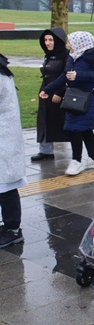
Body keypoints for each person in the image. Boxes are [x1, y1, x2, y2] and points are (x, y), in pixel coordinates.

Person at [40, 32, 94, 176]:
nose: (68, 45)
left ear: (80, 42)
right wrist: (47, 90)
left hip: (91, 97)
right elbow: (64, 77)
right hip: (75, 96)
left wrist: (79, 75)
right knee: (84, 128)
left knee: (74, 128)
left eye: (70, 42)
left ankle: (76, 161)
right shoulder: (73, 56)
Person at [0, 54, 28, 248]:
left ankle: (13, 230)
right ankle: (9, 226)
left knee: (6, 186)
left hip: (4, 139)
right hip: (4, 137)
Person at [33, 28, 69, 162]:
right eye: (45, 40)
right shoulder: (48, 54)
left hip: (58, 92)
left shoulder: (66, 55)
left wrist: (59, 92)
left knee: (64, 123)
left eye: (51, 40)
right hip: (45, 92)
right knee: (44, 119)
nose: (47, 43)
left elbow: (66, 75)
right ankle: (45, 150)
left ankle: (88, 141)